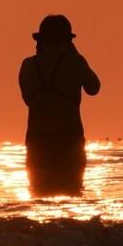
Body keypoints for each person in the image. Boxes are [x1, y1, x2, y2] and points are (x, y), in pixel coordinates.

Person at [18, 15, 101, 196]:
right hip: (69, 141)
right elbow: (94, 88)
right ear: (67, 41)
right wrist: (76, 55)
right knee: (73, 194)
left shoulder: (28, 65)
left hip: (37, 141)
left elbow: (27, 99)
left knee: (38, 195)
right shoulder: (76, 63)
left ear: (40, 40)